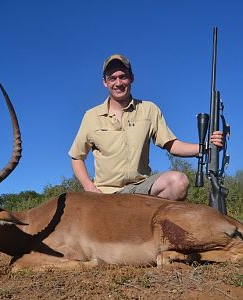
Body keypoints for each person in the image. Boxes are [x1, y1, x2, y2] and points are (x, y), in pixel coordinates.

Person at [69, 54, 223, 200]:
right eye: (112, 78)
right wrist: (89, 187)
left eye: (123, 77)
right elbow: (77, 157)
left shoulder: (149, 109)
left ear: (132, 78)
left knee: (179, 182)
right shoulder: (91, 116)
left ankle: (154, 222)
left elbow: (172, 145)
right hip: (105, 193)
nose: (118, 83)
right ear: (105, 82)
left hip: (141, 188)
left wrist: (206, 147)